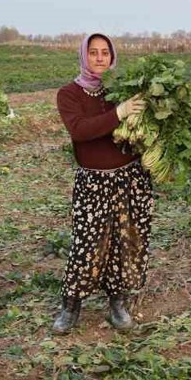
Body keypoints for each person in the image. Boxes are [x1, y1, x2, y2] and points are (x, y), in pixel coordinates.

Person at [52, 34, 152, 334]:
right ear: (83, 56)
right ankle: (71, 305)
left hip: (129, 179)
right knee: (87, 244)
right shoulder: (69, 94)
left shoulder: (121, 90)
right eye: (93, 52)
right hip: (93, 182)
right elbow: (80, 130)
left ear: (112, 57)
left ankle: (117, 303)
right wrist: (118, 113)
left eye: (105, 53)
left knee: (125, 243)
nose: (99, 58)